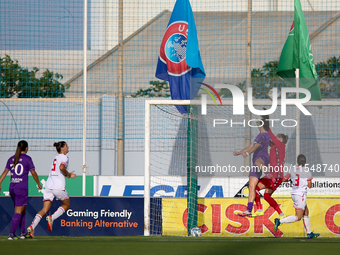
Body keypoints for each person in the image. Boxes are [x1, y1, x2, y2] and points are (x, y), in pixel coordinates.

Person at [27, 141, 76, 238]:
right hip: (58, 186)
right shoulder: (64, 157)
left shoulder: (55, 157)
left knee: (45, 209)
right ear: (62, 148)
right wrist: (69, 174)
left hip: (49, 186)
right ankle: (52, 218)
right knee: (67, 205)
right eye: (66, 146)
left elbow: (58, 170)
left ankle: (32, 226)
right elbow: (61, 167)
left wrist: (67, 174)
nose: (68, 147)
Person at [0, 140, 42, 240]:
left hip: (12, 188)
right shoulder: (27, 159)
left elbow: (5, 172)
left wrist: (0, 182)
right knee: (19, 210)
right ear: (26, 148)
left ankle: (23, 234)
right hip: (21, 188)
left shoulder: (11, 158)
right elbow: (33, 173)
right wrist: (38, 183)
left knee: (22, 209)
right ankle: (11, 234)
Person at [274, 154, 320, 239]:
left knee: (306, 212)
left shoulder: (292, 169)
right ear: (305, 162)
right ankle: (279, 221)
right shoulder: (307, 171)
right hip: (301, 195)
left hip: (294, 193)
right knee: (298, 217)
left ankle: (309, 233)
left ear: (297, 161)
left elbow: (285, 179)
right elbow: (309, 186)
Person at [233, 115, 270, 217]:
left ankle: (269, 173)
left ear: (262, 124)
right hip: (256, 161)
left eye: (258, 122)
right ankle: (249, 210)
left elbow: (257, 146)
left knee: (258, 163)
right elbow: (251, 146)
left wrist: (248, 153)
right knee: (251, 187)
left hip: (261, 158)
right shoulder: (259, 135)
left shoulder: (265, 135)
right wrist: (239, 152)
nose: (257, 124)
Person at [252, 128, 289, 218]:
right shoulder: (274, 147)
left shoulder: (281, 145)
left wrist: (265, 126)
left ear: (280, 139)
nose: (274, 139)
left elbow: (271, 135)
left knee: (266, 195)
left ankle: (281, 214)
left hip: (277, 176)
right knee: (255, 190)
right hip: (271, 175)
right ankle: (260, 210)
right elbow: (268, 140)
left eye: (276, 138)